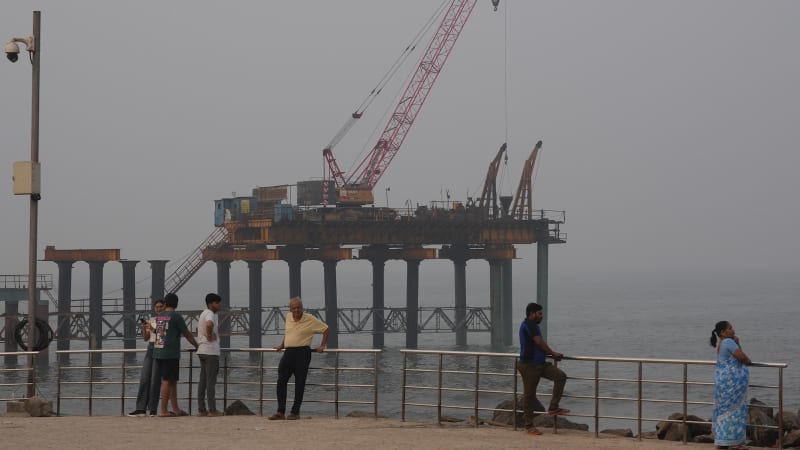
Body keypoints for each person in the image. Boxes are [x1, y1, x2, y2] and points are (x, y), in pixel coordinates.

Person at [268, 297, 329, 420]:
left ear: (302, 307)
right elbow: (288, 333)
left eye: (298, 307)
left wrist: (322, 345)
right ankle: (280, 412)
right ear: (290, 308)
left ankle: (295, 412)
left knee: (299, 383)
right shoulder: (288, 317)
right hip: (288, 352)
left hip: (303, 353)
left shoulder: (310, 319)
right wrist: (282, 345)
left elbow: (326, 329)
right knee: (281, 381)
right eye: (294, 307)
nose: (296, 310)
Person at [517, 302, 569, 435]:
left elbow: (538, 345)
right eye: (539, 313)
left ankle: (553, 407)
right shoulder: (529, 324)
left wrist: (550, 354)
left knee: (560, 376)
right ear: (532, 314)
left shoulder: (533, 325)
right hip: (529, 365)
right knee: (529, 396)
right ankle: (529, 426)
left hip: (540, 364)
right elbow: (539, 342)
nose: (542, 316)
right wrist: (553, 353)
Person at [153, 292, 198, 417]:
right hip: (170, 354)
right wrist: (196, 345)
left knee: (172, 381)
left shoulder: (160, 316)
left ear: (166, 303)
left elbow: (159, 336)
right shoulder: (176, 316)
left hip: (159, 353)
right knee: (167, 381)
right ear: (176, 304)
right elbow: (187, 334)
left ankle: (176, 409)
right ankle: (163, 410)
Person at [710, 321, 752, 450]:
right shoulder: (729, 342)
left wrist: (737, 343)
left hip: (723, 381)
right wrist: (738, 344)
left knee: (724, 410)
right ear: (722, 332)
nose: (733, 330)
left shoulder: (722, 343)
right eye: (730, 328)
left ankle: (723, 440)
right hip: (731, 382)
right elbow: (744, 359)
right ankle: (734, 442)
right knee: (735, 410)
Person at [127, 298, 165, 417]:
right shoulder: (152, 319)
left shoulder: (165, 319)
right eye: (156, 307)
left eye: (160, 307)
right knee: (144, 379)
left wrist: (152, 328)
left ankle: (153, 409)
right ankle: (141, 408)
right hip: (151, 348)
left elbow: (161, 337)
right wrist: (144, 328)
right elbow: (146, 338)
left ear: (164, 307)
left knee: (155, 381)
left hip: (159, 348)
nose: (158, 309)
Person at [197, 293, 223, 417]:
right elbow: (209, 324)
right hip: (210, 351)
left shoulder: (203, 313)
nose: (219, 305)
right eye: (217, 303)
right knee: (210, 382)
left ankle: (202, 409)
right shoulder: (210, 314)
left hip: (202, 350)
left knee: (202, 382)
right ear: (211, 303)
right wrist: (209, 335)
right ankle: (212, 410)